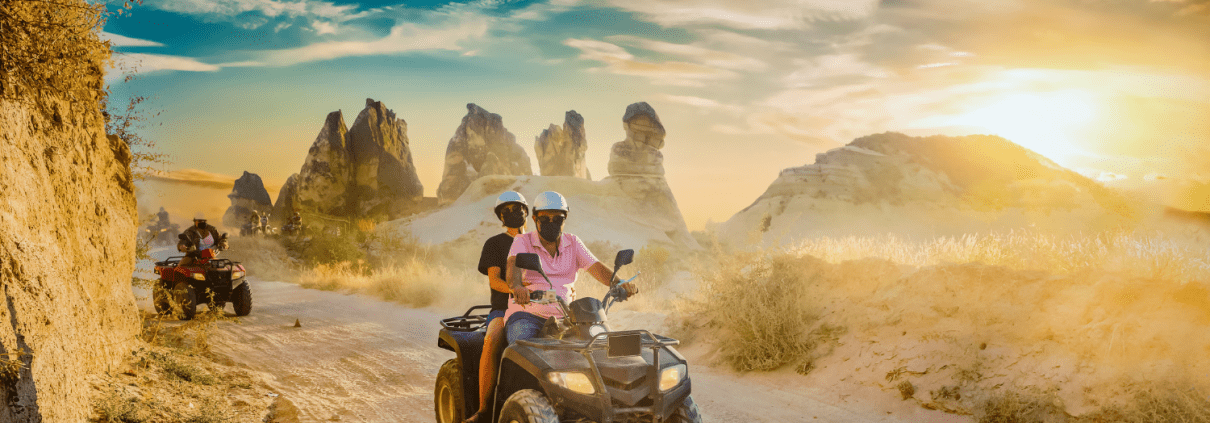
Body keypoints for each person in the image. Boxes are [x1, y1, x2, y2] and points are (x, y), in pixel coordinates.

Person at [505, 191, 639, 344]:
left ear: (565, 218)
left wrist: (620, 284)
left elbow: (596, 268)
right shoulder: (522, 240)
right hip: (527, 316)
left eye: (557, 219)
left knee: (600, 347)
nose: (551, 223)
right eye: (544, 218)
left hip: (568, 318)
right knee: (522, 348)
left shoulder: (573, 242)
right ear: (535, 218)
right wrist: (516, 286)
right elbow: (513, 265)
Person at [466, 191, 528, 423]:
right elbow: (494, 280)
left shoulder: (536, 242)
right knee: (492, 338)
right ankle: (483, 410)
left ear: (527, 212)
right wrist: (514, 290)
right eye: (509, 210)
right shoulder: (494, 243)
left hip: (537, 308)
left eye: (520, 208)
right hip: (503, 307)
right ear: (501, 216)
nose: (516, 213)